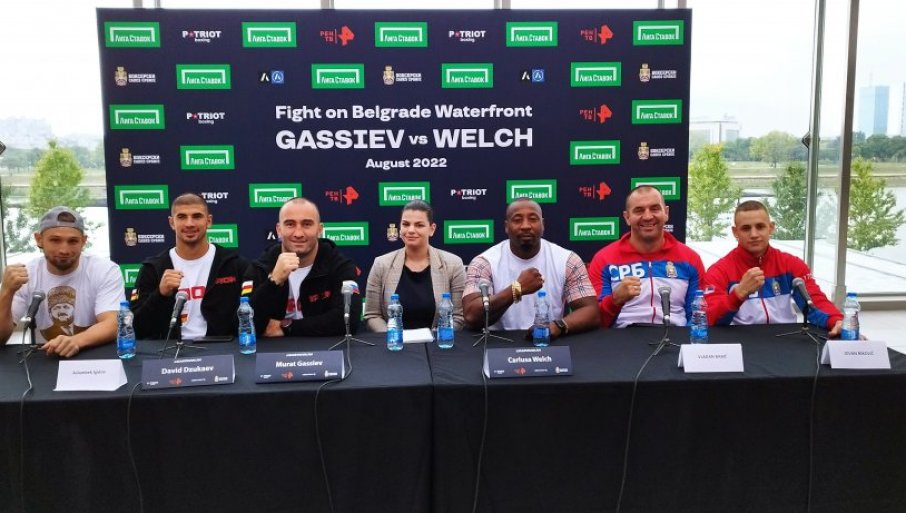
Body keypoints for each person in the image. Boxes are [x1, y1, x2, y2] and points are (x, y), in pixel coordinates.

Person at [462, 198, 599, 339]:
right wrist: (516, 289)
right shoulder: (485, 262)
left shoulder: (567, 260)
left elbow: (591, 311)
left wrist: (559, 326)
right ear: (506, 227)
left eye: (533, 219)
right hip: (499, 343)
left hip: (548, 340)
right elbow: (471, 317)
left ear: (543, 225)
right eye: (517, 220)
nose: (526, 226)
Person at [704, 200, 843, 335]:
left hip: (787, 340)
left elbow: (813, 302)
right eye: (746, 228)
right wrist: (738, 294)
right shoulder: (719, 271)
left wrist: (835, 320)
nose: (754, 234)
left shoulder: (791, 264)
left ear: (771, 227)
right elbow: (709, 319)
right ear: (735, 232)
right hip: (742, 341)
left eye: (760, 227)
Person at [0, 206, 124, 357]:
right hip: (44, 358)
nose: (64, 250)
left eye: (73, 241)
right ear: (39, 239)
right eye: (55, 240)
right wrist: (6, 292)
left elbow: (113, 324)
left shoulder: (104, 270)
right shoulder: (26, 274)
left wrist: (76, 341)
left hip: (92, 355)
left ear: (83, 241)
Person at [131, 193, 249, 339]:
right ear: (172, 222)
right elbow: (136, 329)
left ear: (209, 221)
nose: (189, 224)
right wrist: (160, 295)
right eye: (181, 217)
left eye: (197, 216)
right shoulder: (152, 269)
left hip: (222, 348)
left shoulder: (234, 264)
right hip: (170, 349)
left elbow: (252, 317)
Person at [588, 185, 706, 327]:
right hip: (623, 336)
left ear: (666, 213)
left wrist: (684, 339)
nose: (648, 216)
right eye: (639, 210)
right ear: (627, 217)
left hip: (675, 335)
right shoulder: (603, 259)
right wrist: (615, 300)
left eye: (655, 209)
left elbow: (698, 314)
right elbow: (595, 322)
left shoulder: (690, 259)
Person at [245, 197, 361, 337]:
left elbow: (349, 320)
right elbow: (242, 323)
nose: (298, 233)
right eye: (290, 224)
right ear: (279, 230)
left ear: (319, 229)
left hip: (324, 348)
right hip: (274, 349)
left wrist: (287, 327)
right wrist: (273, 282)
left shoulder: (340, 266)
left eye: (307, 224)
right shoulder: (260, 267)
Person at [364, 200, 465, 331]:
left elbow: (458, 317)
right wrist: (392, 336)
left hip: (438, 342)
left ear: (432, 229)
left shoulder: (453, 264)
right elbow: (372, 315)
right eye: (406, 224)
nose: (411, 230)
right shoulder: (381, 264)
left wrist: (437, 336)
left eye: (419, 225)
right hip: (393, 342)